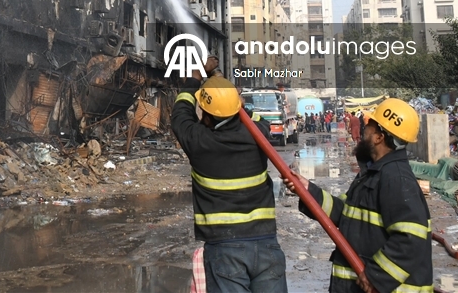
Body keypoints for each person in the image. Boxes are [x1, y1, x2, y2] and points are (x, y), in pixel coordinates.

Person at [284, 98, 432, 293]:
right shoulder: (375, 173)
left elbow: (411, 238)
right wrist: (308, 190)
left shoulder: (395, 178)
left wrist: (377, 276)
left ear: (379, 137)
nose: (364, 129)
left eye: (369, 125)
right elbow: (345, 214)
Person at [172, 74, 287, 293]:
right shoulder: (258, 135)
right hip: (266, 244)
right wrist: (233, 100)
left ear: (206, 114)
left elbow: (180, 115)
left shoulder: (198, 141)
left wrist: (193, 82)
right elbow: (259, 121)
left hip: (224, 249)